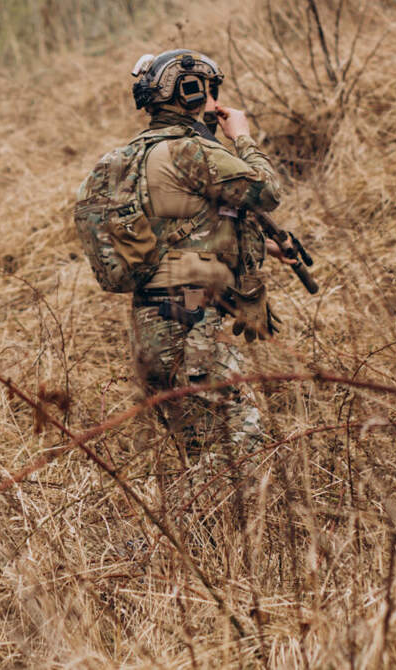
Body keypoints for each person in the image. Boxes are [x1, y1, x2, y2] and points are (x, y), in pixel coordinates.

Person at [76, 49, 291, 492]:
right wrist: (242, 136)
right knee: (243, 447)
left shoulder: (136, 157)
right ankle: (181, 545)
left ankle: (197, 551)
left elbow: (180, 231)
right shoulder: (191, 150)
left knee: (203, 453)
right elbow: (267, 190)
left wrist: (264, 245)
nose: (216, 105)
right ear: (190, 91)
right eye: (211, 93)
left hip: (153, 328)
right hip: (192, 326)